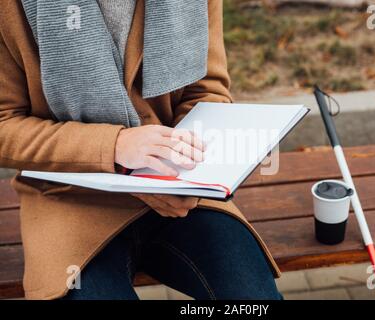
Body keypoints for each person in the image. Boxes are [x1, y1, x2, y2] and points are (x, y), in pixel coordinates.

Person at [0, 0, 282, 300]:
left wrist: (189, 176)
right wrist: (114, 146)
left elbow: (206, 91)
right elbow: (5, 126)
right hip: (70, 199)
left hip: (175, 191)